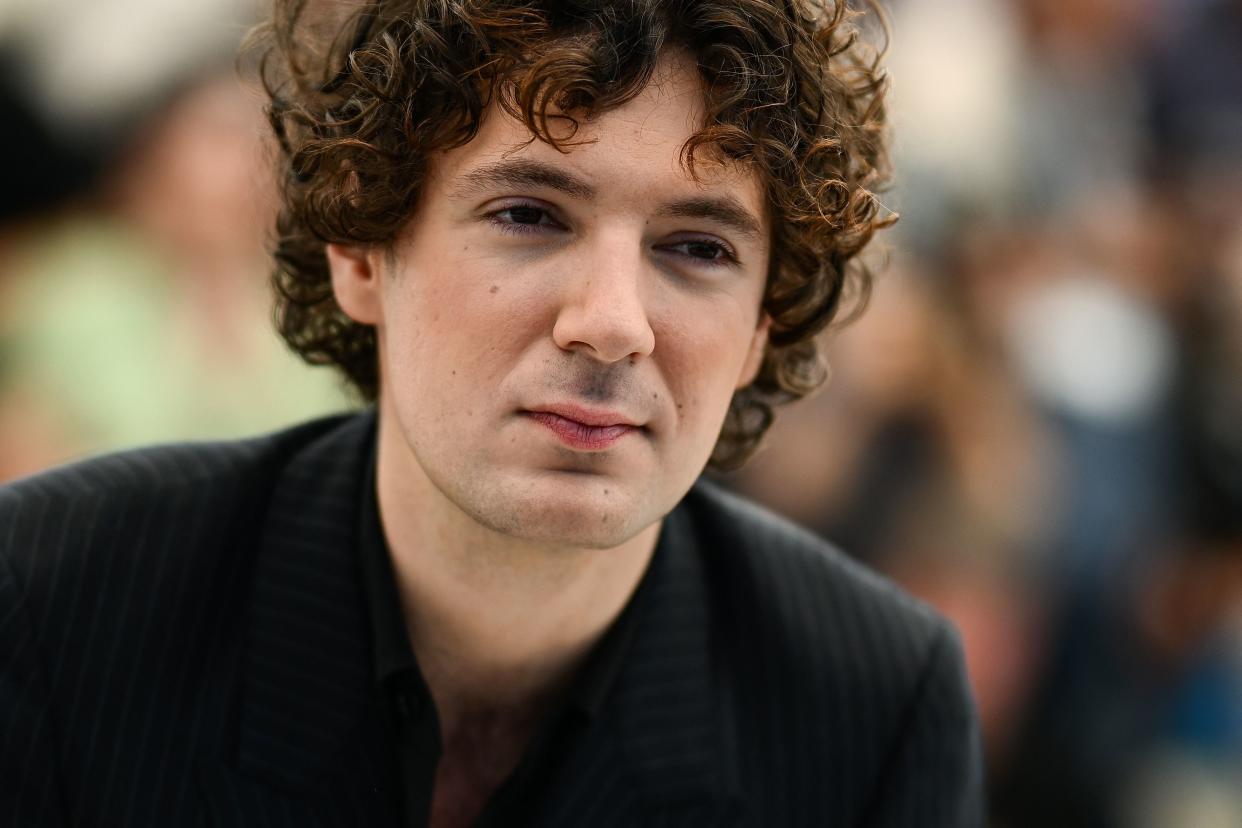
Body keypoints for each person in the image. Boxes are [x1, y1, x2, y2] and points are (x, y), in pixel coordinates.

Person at [0, 1, 983, 826]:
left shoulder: (874, 705)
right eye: (529, 215)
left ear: (764, 325)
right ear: (359, 252)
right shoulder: (55, 597)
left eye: (697, 249)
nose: (611, 324)